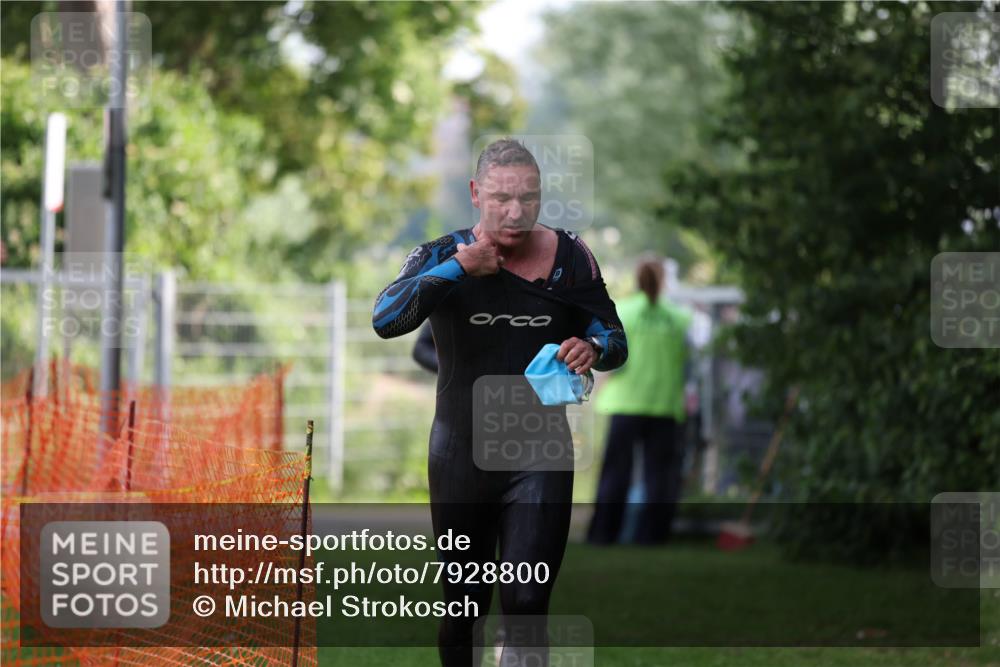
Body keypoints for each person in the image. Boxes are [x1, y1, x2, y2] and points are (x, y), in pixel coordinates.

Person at [372, 138, 627, 666]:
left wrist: (593, 345)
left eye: (528, 198)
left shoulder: (572, 257)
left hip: (540, 454)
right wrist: (462, 268)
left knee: (528, 602)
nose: (515, 211)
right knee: (463, 609)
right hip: (459, 456)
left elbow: (616, 340)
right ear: (475, 194)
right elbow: (386, 319)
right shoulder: (443, 254)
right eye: (501, 198)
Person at [586, 256, 693, 545]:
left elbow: (613, 356)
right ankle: (654, 536)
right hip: (665, 404)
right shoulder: (681, 318)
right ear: (663, 280)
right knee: (659, 476)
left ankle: (603, 534)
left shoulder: (623, 311)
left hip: (625, 403)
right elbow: (686, 362)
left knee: (615, 472)